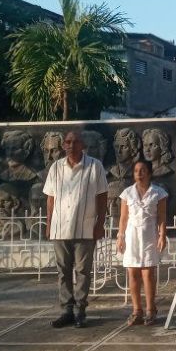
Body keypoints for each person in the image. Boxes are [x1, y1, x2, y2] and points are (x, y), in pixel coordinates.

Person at [43, 131, 108, 329]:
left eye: (75, 142)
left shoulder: (94, 166)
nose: (71, 145)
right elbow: (50, 198)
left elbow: (102, 196)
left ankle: (80, 310)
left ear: (82, 145)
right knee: (63, 271)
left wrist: (100, 224)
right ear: (64, 145)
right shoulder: (56, 167)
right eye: (68, 142)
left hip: (84, 228)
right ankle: (67, 310)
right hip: (60, 227)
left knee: (82, 271)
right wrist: (49, 223)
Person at [116, 159, 168, 326]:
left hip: (149, 235)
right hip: (132, 236)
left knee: (147, 273)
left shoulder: (158, 193)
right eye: (136, 170)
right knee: (133, 272)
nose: (139, 173)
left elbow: (162, 217)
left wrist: (162, 235)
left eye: (143, 170)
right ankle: (136, 310)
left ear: (149, 173)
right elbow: (123, 218)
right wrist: (120, 237)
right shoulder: (127, 193)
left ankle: (151, 309)